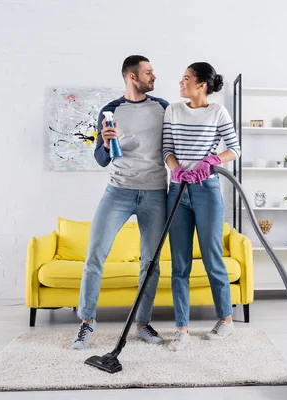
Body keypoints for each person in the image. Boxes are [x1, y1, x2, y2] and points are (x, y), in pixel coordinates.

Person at [71, 55, 169, 350]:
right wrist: (103, 143)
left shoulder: (163, 108)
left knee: (150, 263)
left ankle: (142, 323)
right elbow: (101, 160)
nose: (153, 76)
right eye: (148, 72)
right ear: (132, 76)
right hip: (118, 191)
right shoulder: (110, 110)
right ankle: (86, 323)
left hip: (155, 192)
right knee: (95, 255)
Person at [162, 62, 241, 351]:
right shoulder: (173, 110)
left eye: (186, 79)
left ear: (201, 85)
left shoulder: (218, 112)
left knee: (212, 257)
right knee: (179, 264)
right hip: (178, 191)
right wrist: (176, 169)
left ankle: (226, 320)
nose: (180, 83)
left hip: (206, 190)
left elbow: (235, 148)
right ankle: (181, 328)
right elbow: (167, 149)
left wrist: (211, 161)